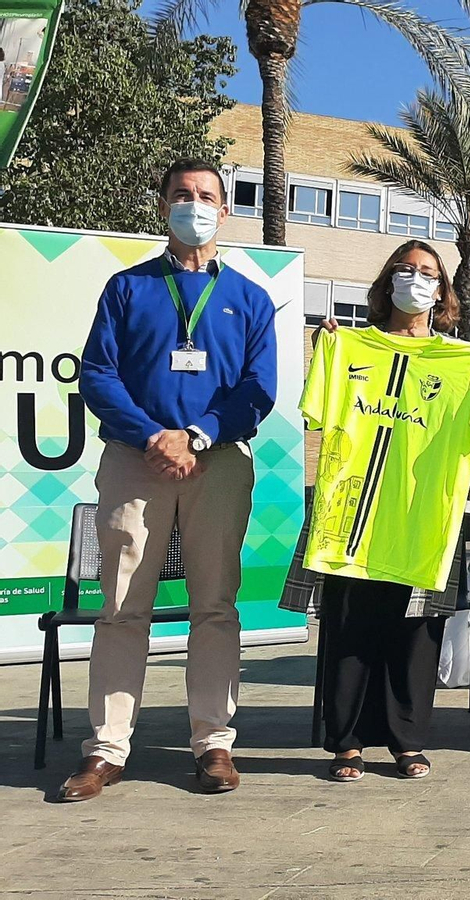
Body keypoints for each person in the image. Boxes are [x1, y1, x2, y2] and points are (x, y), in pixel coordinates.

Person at [61, 159, 278, 802]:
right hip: (136, 461)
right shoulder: (127, 288)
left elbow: (258, 389)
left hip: (218, 462)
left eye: (207, 196)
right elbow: (98, 374)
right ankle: (105, 751)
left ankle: (213, 743)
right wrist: (153, 435)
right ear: (163, 206)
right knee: (123, 610)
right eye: (182, 195)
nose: (195, 204)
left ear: (226, 209)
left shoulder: (249, 298)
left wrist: (199, 435)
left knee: (216, 606)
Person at [302, 241, 470, 782]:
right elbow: (316, 413)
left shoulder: (465, 361)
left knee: (417, 634)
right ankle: (345, 743)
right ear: (386, 279)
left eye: (427, 273)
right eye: (405, 269)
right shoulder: (347, 347)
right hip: (352, 522)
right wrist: (328, 345)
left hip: (423, 521)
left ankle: (406, 740)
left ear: (443, 291)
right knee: (348, 628)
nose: (415, 279)